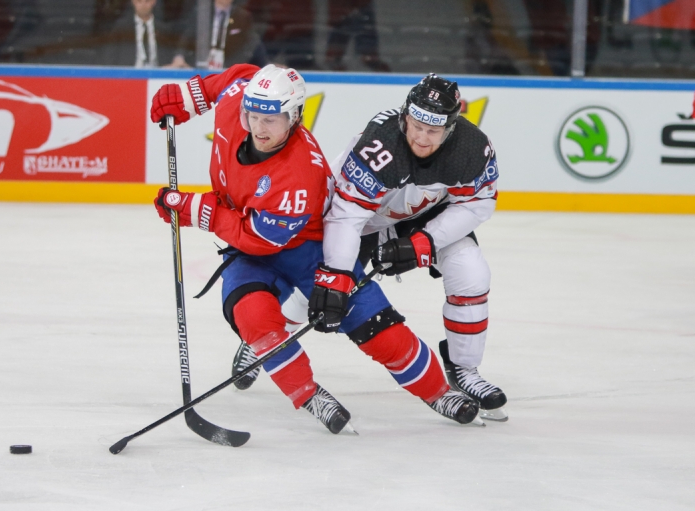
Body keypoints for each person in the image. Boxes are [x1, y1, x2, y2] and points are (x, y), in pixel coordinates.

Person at [149, 63, 480, 434]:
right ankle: (309, 395)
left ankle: (437, 392)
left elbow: (259, 237)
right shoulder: (236, 103)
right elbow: (240, 75)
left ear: (294, 117)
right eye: (253, 115)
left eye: (271, 120)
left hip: (310, 250)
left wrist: (193, 209)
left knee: (377, 326)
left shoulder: (299, 173)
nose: (259, 127)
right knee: (253, 316)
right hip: (250, 250)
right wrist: (190, 97)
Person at [311, 73, 509, 421]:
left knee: (471, 273)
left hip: (424, 216)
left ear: (450, 128)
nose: (421, 137)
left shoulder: (471, 147)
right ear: (405, 115)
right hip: (364, 220)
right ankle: (259, 346)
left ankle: (464, 369)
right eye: (415, 125)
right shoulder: (379, 145)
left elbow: (479, 203)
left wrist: (425, 241)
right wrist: (337, 273)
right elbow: (346, 215)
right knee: (314, 291)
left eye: (432, 131)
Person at [169, 0, 268, 70]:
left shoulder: (242, 16)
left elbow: (253, 43)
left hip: (228, 68)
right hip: (200, 67)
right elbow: (186, 36)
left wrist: (267, 65)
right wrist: (179, 56)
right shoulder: (202, 13)